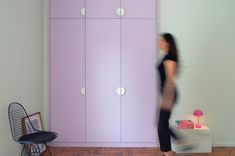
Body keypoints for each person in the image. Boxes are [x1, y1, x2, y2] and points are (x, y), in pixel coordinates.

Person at [157, 33, 180, 156]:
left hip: (169, 93)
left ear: (167, 43)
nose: (159, 42)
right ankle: (167, 150)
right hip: (167, 93)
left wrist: (166, 99)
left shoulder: (170, 57)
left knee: (161, 124)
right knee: (162, 123)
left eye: (161, 40)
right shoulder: (166, 56)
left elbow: (170, 81)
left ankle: (169, 150)